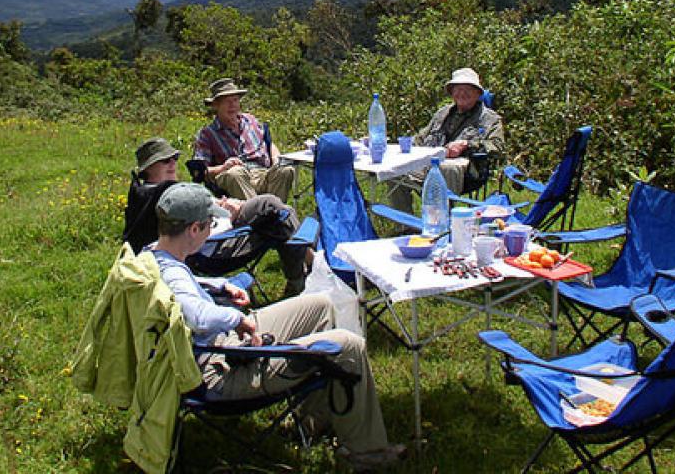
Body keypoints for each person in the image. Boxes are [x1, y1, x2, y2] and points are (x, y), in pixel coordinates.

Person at [148, 183, 405, 471]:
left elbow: (186, 289)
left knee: (321, 304)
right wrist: (237, 319)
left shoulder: (153, 256)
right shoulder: (173, 276)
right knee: (348, 346)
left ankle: (311, 421)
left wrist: (220, 284)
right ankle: (367, 454)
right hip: (220, 370)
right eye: (209, 224)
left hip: (219, 345)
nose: (212, 229)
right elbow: (196, 314)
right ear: (193, 230)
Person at [126, 137, 310, 295]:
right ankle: (308, 270)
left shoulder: (142, 193)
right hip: (213, 247)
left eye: (174, 158)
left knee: (275, 209)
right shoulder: (165, 192)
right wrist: (229, 214)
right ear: (148, 168)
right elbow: (203, 224)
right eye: (166, 161)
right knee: (277, 217)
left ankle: (306, 269)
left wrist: (221, 203)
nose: (173, 164)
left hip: (210, 234)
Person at [388, 67, 505, 212]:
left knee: (445, 168)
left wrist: (467, 145)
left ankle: (442, 225)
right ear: (452, 92)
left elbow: (498, 146)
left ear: (478, 93)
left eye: (468, 89)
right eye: (457, 89)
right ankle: (405, 227)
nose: (462, 93)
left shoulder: (490, 119)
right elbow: (420, 138)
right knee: (393, 172)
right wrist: (397, 148)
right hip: (428, 163)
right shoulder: (442, 113)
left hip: (467, 171)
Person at [193, 77, 295, 202]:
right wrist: (223, 167)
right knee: (235, 173)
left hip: (263, 173)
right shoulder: (207, 134)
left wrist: (276, 159)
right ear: (216, 105)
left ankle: (274, 212)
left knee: (285, 170)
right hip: (235, 176)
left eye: (235, 100)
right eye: (227, 101)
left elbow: (268, 143)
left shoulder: (250, 120)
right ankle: (257, 216)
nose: (232, 105)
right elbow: (198, 171)